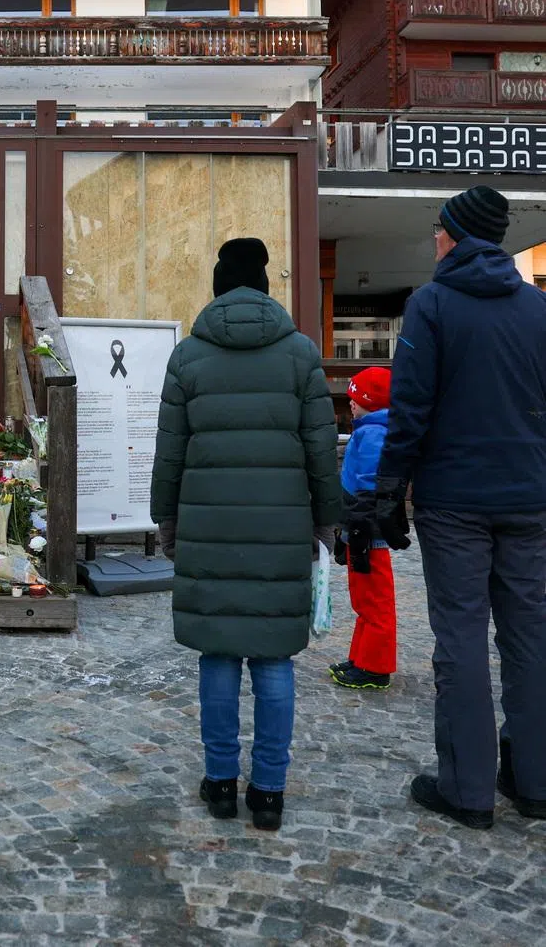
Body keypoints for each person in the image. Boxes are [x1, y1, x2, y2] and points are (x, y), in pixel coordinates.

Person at [151, 238, 340, 831]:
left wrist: (167, 520)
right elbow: (320, 449)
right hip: (281, 526)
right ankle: (269, 792)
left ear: (217, 285)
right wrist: (326, 521)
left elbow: (170, 451)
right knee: (275, 658)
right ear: (263, 285)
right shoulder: (301, 354)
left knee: (219, 652)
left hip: (209, 525)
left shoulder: (187, 357)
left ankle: (220, 783)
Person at [376, 185, 546, 831]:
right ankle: (535, 780)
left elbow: (410, 407)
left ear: (458, 235)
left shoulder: (434, 304)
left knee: (461, 639)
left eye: (440, 229)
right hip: (529, 496)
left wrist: (390, 491)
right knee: (531, 636)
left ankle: (468, 789)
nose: (434, 238)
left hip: (455, 501)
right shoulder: (537, 308)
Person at [331, 366, 397, 690]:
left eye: (355, 398)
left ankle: (375, 667)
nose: (351, 403)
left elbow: (370, 487)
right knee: (363, 598)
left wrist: (356, 530)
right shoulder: (367, 430)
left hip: (367, 532)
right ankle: (361, 657)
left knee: (374, 599)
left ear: (370, 401)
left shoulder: (374, 434)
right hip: (358, 528)